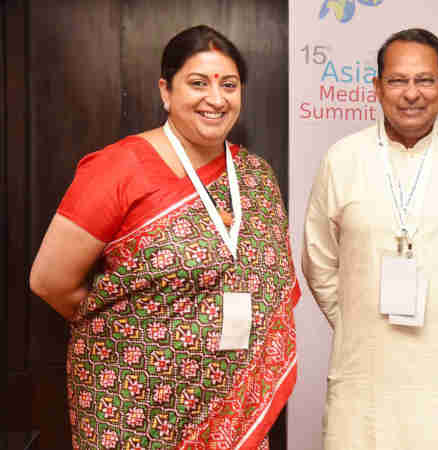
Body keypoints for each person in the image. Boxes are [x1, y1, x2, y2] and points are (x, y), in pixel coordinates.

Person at [29, 25, 299, 449]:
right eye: (197, 83)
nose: (216, 98)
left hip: (232, 411)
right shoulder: (119, 168)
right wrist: (133, 333)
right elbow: (50, 281)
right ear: (166, 91)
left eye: (229, 85)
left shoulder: (256, 175)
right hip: (131, 411)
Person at [302, 28, 438, 450]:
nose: (411, 93)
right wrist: (354, 322)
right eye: (398, 81)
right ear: (377, 87)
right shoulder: (343, 159)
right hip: (364, 377)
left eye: (425, 80)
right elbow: (318, 260)